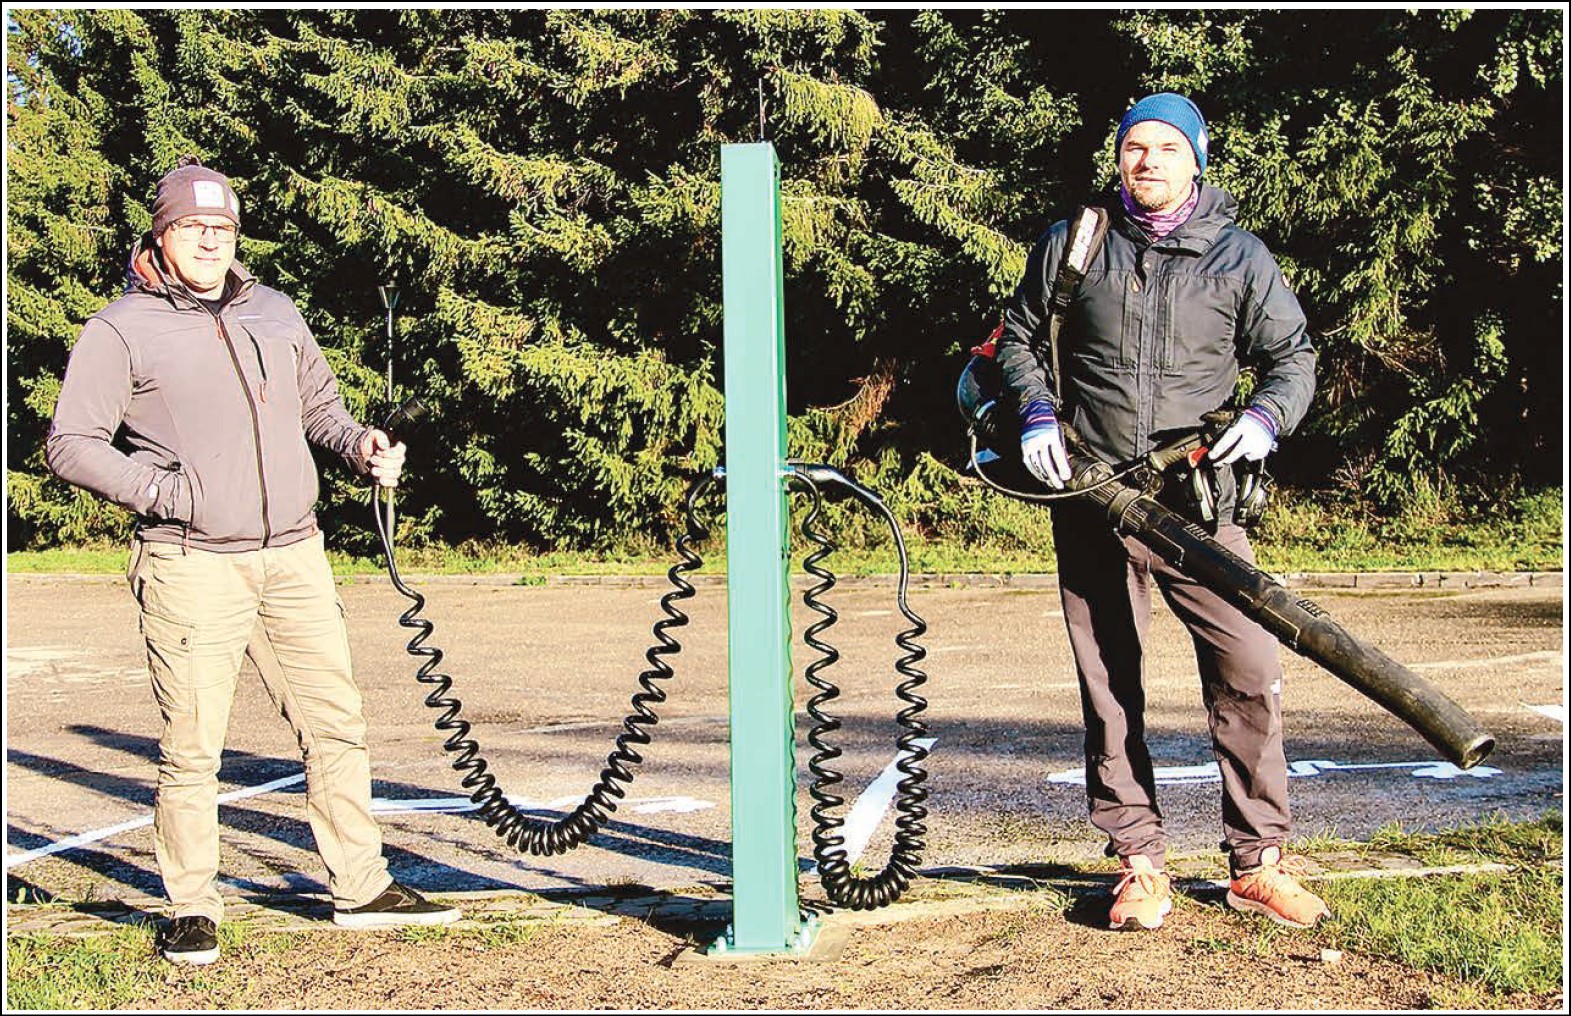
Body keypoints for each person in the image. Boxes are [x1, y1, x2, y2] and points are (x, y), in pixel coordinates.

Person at [46, 159, 460, 965]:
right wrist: (167, 493)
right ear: (162, 236)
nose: (209, 240)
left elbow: (320, 409)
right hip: (192, 564)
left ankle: (361, 886)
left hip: (296, 556)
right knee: (194, 743)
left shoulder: (274, 311)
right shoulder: (120, 329)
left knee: (335, 724)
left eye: (222, 228)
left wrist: (359, 446)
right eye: (193, 227)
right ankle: (194, 906)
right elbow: (71, 445)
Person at [996, 94, 1328, 930]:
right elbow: (1019, 337)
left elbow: (1292, 356)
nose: (1145, 161)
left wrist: (1264, 416)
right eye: (1133, 147)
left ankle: (1257, 862)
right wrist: (1036, 412)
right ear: (1119, 159)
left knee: (1248, 668)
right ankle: (1139, 863)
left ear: (1196, 161)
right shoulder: (1076, 243)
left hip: (1197, 508)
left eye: (1164, 148)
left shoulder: (1238, 255)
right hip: (1092, 498)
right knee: (1109, 683)